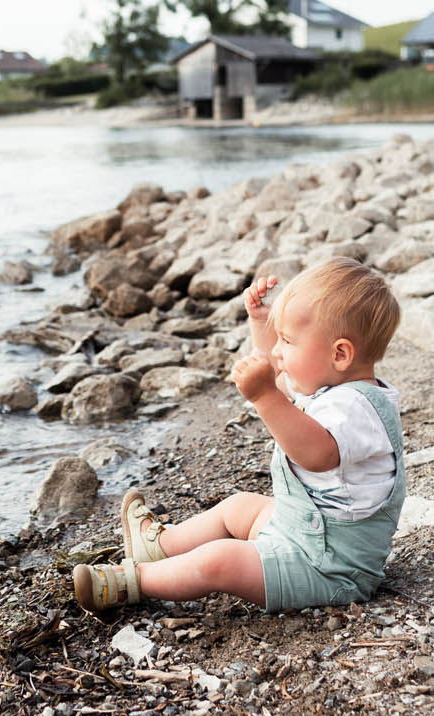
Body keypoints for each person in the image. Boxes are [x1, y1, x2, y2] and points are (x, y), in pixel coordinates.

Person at [72, 257, 404, 614]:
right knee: (238, 508)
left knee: (221, 560)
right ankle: (160, 546)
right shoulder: (334, 388)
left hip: (330, 569)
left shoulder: (356, 410)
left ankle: (132, 581)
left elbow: (316, 454)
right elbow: (279, 380)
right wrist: (262, 325)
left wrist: (264, 397)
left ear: (340, 353)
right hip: (305, 535)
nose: (277, 351)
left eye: (287, 341)